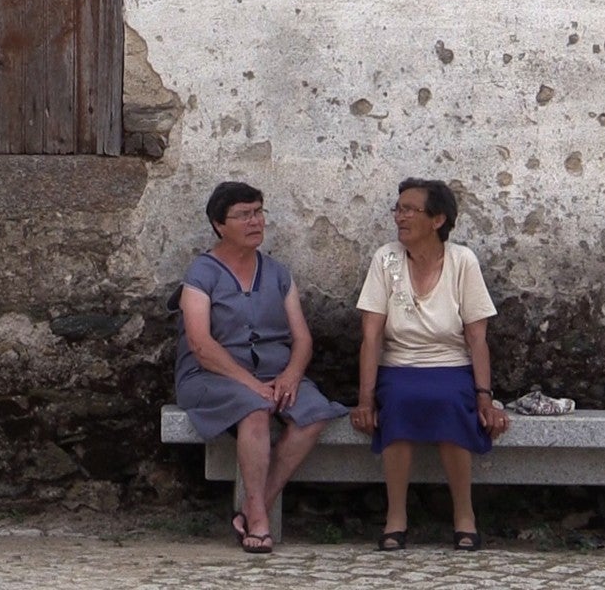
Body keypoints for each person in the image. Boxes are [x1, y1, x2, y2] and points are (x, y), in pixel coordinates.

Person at [174, 181, 349, 554]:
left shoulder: (278, 273)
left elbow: (302, 340)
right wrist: (251, 385)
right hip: (212, 376)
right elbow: (201, 345)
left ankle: (257, 503)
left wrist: (291, 376)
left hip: (276, 372)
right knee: (254, 411)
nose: (255, 222)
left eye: (258, 212)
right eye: (243, 215)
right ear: (219, 225)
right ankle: (257, 520)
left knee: (314, 414)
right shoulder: (201, 274)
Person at [349, 177, 510, 552]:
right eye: (398, 208)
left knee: (451, 403)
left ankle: (465, 515)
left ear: (437, 220)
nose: (399, 217)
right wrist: (365, 399)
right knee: (401, 403)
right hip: (399, 366)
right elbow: (371, 335)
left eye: (409, 210)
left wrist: (484, 397)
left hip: (450, 366)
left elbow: (476, 337)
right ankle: (396, 517)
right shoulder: (385, 259)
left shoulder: (462, 261)